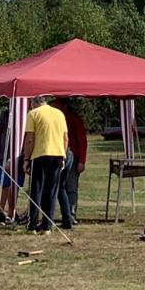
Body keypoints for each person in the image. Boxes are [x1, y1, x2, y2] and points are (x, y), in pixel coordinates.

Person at [22, 95, 68, 234]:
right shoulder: (59, 114)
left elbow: (30, 139)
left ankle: (32, 224)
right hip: (58, 154)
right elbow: (65, 138)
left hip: (40, 154)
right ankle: (47, 225)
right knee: (51, 191)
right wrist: (63, 156)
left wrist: (26, 159)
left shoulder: (33, 114)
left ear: (33, 103)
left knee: (36, 189)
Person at [52, 97, 88, 228]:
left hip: (72, 157)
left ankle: (71, 213)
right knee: (59, 187)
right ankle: (64, 214)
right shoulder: (55, 119)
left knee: (71, 187)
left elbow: (82, 141)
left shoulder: (74, 119)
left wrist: (82, 161)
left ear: (64, 107)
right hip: (57, 155)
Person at [0, 103, 24, 225]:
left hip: (20, 158)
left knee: (16, 186)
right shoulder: (5, 115)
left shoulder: (27, 114)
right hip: (4, 157)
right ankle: (0, 213)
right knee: (4, 185)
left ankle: (11, 213)